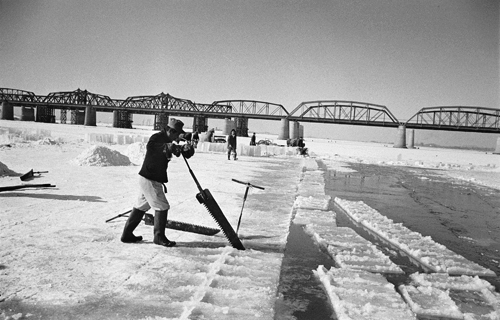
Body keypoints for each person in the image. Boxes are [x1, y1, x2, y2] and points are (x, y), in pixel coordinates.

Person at [120, 118, 195, 247]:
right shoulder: (157, 138)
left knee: (141, 206)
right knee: (162, 206)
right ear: (170, 131)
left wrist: (185, 149)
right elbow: (153, 147)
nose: (177, 137)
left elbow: (174, 149)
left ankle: (127, 234)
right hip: (150, 179)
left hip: (147, 178)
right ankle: (159, 237)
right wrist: (173, 147)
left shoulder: (167, 139)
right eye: (176, 134)